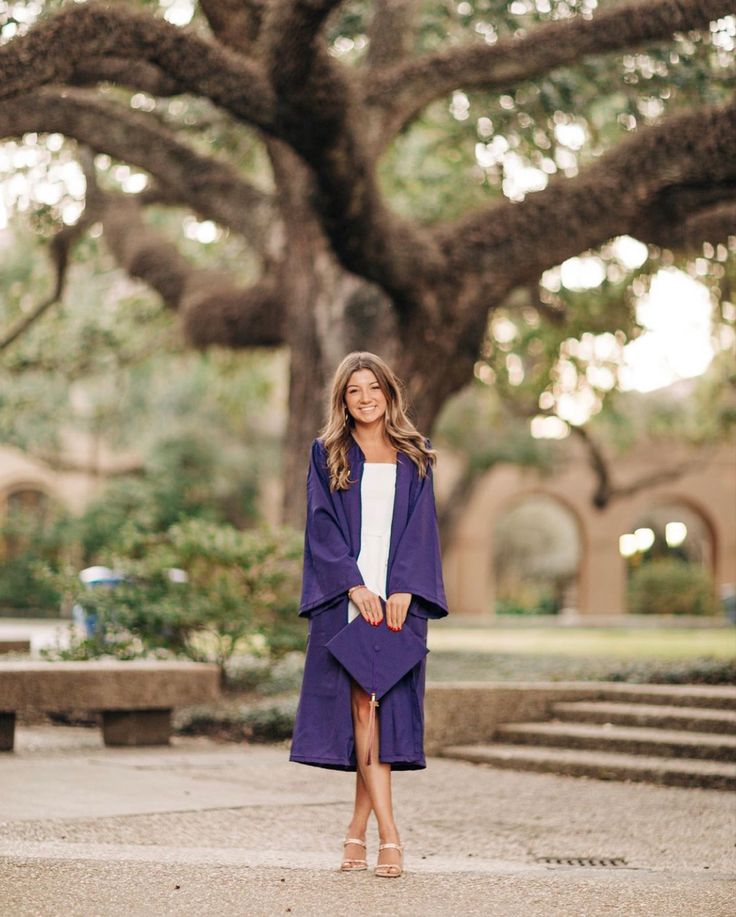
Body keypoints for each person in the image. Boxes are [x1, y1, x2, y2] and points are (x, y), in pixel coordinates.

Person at [289, 351, 449, 878]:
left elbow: (423, 528)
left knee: (381, 715)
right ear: (343, 397)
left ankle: (355, 834)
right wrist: (354, 586)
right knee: (363, 710)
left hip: (400, 599)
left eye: (373, 388)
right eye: (354, 390)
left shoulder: (416, 454)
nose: (365, 398)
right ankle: (391, 837)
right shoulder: (328, 452)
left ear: (388, 392)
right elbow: (320, 526)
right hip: (350, 599)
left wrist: (404, 587)